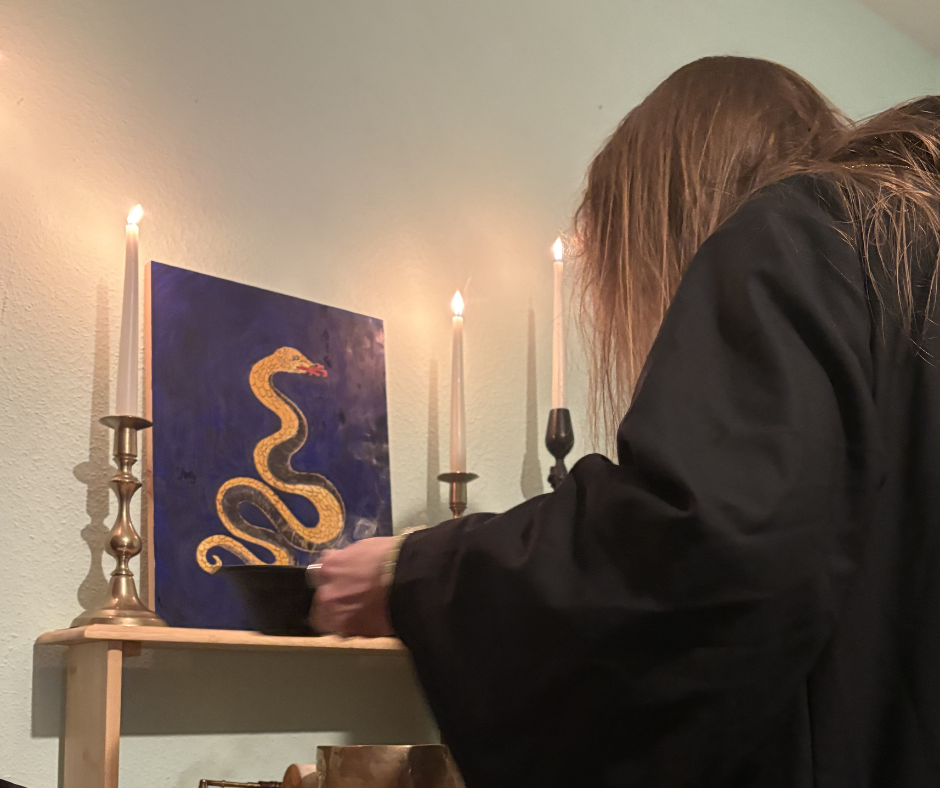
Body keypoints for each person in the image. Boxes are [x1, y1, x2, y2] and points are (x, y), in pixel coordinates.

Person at [311, 57, 940, 787]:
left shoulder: (801, 231)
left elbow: (704, 548)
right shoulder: (904, 254)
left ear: (663, 221)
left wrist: (415, 575)